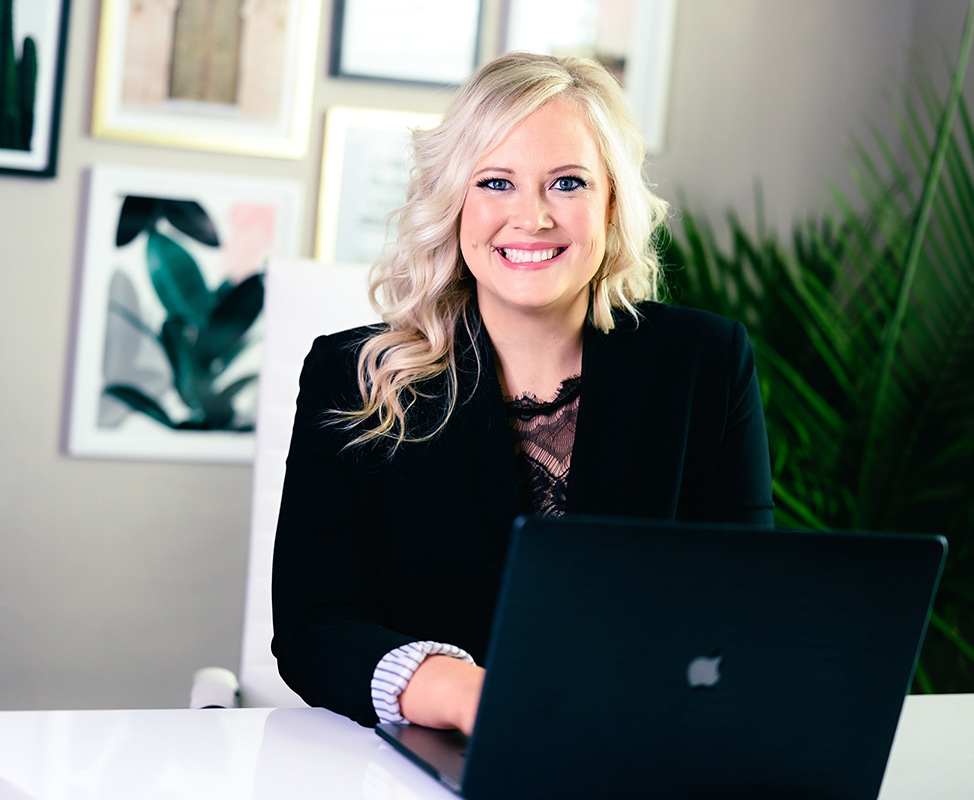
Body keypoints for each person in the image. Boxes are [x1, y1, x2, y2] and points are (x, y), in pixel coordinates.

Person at [271, 52, 773, 737]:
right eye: (496, 182)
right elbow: (313, 627)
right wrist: (468, 696)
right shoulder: (351, 373)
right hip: (428, 758)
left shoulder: (705, 363)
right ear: (454, 202)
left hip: (641, 748)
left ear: (612, 204)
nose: (531, 217)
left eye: (567, 183)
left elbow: (744, 606)